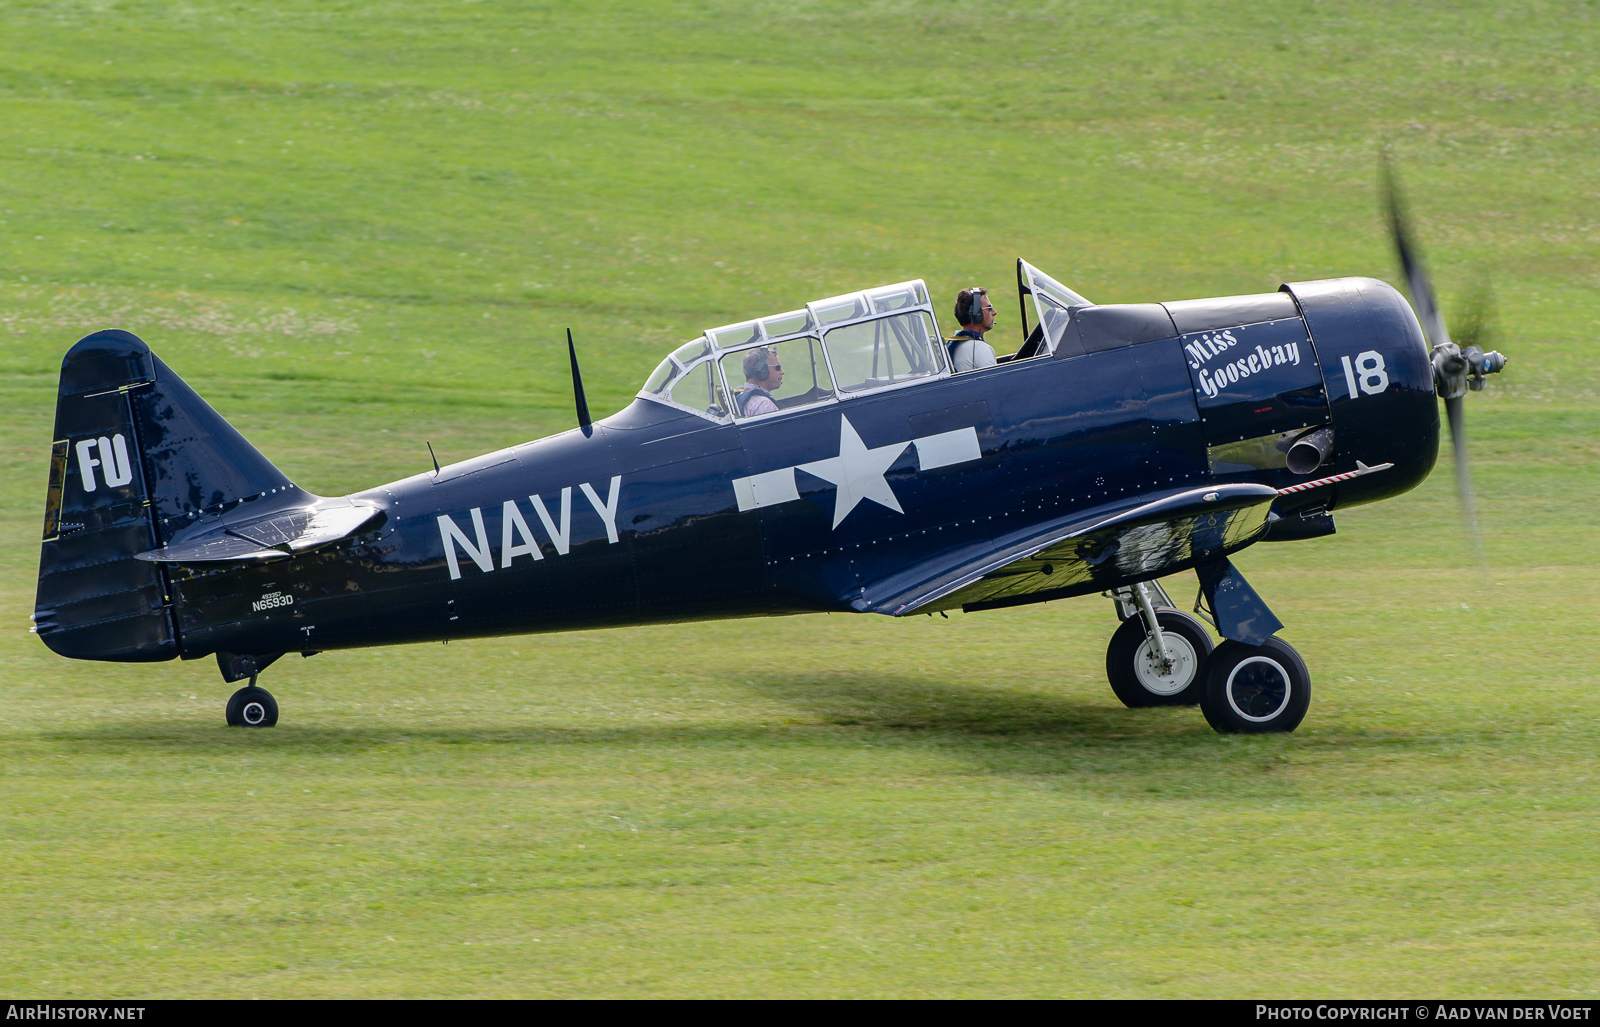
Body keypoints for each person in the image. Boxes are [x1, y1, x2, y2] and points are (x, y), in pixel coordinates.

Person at [946, 286, 998, 372]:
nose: (994, 312)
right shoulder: (980, 349)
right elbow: (994, 384)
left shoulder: (956, 344)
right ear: (976, 314)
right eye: (989, 308)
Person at [734, 347, 783, 415]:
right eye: (778, 367)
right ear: (763, 371)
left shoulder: (741, 396)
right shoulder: (764, 405)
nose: (782, 372)